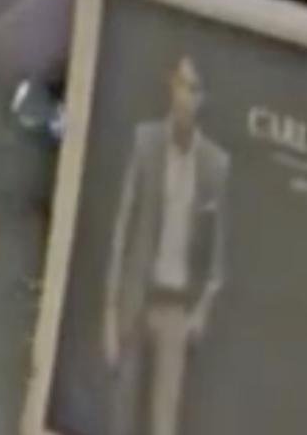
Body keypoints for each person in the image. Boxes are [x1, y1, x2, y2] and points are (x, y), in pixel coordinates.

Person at [103, 54, 230, 435]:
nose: (183, 96)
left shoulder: (214, 164)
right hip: (137, 296)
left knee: (164, 421)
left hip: (177, 307)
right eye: (179, 84)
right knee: (123, 412)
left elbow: (218, 252)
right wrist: (109, 311)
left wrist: (202, 309)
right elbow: (123, 230)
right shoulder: (146, 143)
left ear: (202, 97)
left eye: (192, 88)